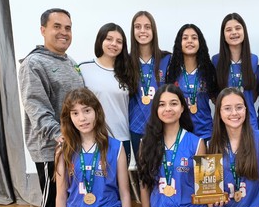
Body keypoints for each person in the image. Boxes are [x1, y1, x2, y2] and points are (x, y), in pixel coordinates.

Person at [19, 8, 84, 207]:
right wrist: (59, 136)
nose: (64, 32)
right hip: (51, 149)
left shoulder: (68, 61)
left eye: (68, 27)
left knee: (70, 197)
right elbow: (36, 107)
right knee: (53, 200)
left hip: (74, 146)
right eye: (57, 26)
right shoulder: (33, 64)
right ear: (43, 29)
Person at [79, 23, 133, 165]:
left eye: (119, 41)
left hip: (122, 137)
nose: (114, 44)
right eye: (109, 39)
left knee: (121, 184)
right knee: (96, 184)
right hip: (92, 138)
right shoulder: (84, 68)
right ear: (100, 40)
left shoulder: (127, 72)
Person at [128, 11, 172, 160]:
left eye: (147, 27)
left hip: (162, 126)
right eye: (138, 27)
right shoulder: (126, 61)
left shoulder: (167, 59)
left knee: (165, 171)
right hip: (136, 128)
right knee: (142, 175)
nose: (142, 31)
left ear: (153, 30)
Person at [166, 24, 218, 142]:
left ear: (200, 43)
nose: (190, 41)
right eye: (185, 38)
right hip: (180, 134)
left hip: (206, 134)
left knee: (205, 162)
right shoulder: (172, 71)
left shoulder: (208, 70)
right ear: (179, 43)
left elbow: (217, 100)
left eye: (194, 38)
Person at [212, 12, 259, 129]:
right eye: (229, 30)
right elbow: (214, 94)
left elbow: (255, 93)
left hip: (249, 121)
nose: (234, 32)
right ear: (223, 34)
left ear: (244, 31)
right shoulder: (216, 60)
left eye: (238, 28)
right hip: (225, 122)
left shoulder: (253, 59)